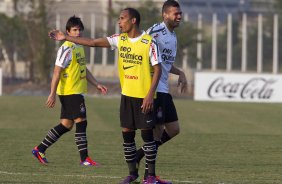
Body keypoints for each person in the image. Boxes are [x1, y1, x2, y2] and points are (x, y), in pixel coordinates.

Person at [49, 8, 162, 184]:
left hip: (144, 97)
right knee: (127, 136)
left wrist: (149, 95)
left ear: (133, 21)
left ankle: (151, 176)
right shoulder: (119, 39)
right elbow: (93, 42)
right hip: (127, 97)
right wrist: (66, 37)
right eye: (119, 18)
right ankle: (132, 174)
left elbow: (158, 69)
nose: (119, 21)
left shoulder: (149, 42)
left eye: (122, 18)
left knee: (147, 136)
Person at [32, 15, 108, 166]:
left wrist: (97, 84)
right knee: (81, 122)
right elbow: (56, 72)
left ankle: (39, 149)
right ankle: (84, 159)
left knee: (66, 124)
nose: (78, 33)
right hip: (69, 92)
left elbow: (83, 69)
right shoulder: (66, 48)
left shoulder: (78, 46)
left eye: (79, 30)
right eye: (74, 30)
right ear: (68, 32)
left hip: (75, 91)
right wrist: (52, 93)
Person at [135, 1, 187, 183]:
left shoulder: (173, 36)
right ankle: (149, 177)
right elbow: (140, 49)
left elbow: (164, 63)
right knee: (156, 132)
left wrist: (180, 72)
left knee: (173, 129)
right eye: (175, 13)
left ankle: (139, 155)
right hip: (154, 89)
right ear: (165, 14)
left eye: (180, 13)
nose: (179, 16)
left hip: (164, 89)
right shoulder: (155, 32)